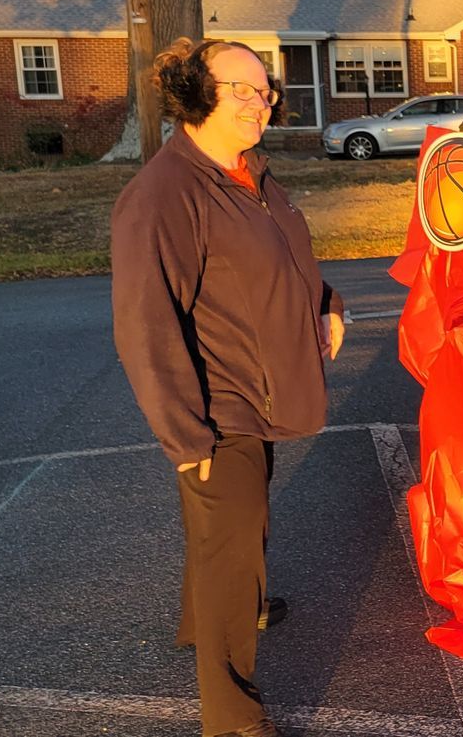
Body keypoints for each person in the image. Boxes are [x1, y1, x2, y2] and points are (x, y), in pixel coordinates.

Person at [111, 38, 345, 737]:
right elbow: (145, 324)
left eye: (263, 89)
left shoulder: (248, 173)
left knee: (231, 529)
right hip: (217, 404)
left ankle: (206, 617)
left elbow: (282, 260)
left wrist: (325, 303)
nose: (257, 101)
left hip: (257, 384)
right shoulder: (164, 194)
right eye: (238, 88)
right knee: (232, 542)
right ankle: (232, 716)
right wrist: (187, 437)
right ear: (196, 93)